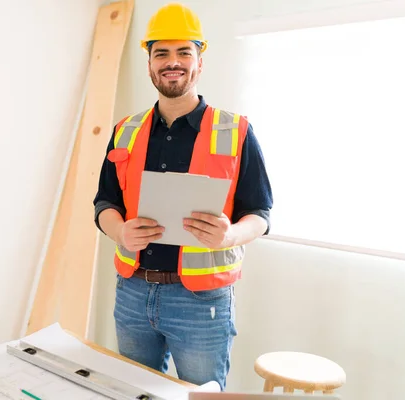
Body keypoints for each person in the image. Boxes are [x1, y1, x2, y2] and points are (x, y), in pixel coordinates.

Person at [92, 2, 273, 391]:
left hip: (201, 302)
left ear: (199, 61)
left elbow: (260, 213)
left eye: (183, 52)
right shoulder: (126, 129)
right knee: (132, 392)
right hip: (133, 294)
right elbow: (105, 203)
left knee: (200, 396)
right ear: (150, 64)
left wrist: (228, 236)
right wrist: (121, 233)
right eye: (162, 54)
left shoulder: (236, 131)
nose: (172, 62)